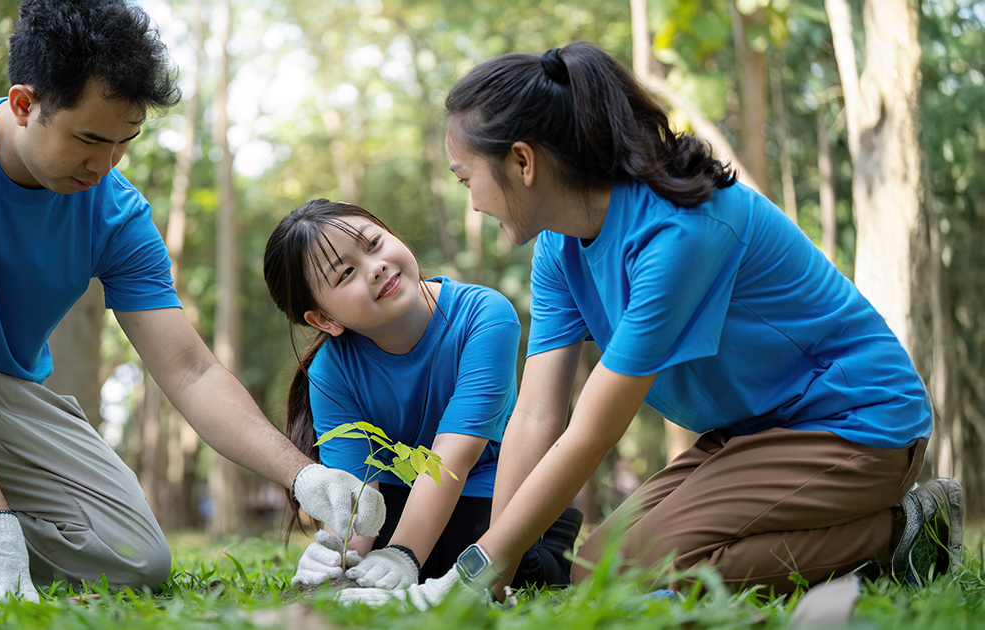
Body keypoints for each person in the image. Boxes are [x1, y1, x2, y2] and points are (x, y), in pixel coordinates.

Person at [340, 41, 961, 609]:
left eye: (466, 177)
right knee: (590, 568)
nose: (471, 198)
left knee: (643, 573)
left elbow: (591, 430)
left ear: (523, 163)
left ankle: (903, 534)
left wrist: (467, 572)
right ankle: (879, 535)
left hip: (854, 422)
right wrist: (497, 572)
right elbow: (537, 415)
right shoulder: (559, 248)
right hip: (750, 432)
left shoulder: (679, 232)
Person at [0, 0, 383, 601]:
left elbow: (192, 369)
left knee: (138, 559)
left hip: (0, 398)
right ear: (24, 104)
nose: (104, 166)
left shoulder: (116, 213)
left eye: (124, 142)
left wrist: (301, 472)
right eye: (89, 139)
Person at [262, 200, 582, 592]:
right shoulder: (330, 372)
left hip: (485, 481)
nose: (375, 266)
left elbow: (454, 456)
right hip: (400, 491)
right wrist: (337, 555)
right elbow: (358, 489)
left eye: (374, 243)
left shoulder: (485, 315)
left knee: (467, 561)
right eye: (346, 273)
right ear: (324, 319)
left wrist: (404, 555)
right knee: (366, 572)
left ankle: (552, 533)